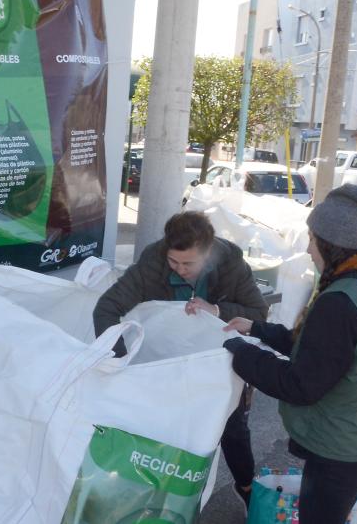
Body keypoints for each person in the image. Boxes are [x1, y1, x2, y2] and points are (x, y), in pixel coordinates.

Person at [222, 184, 357, 523]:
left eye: (312, 239)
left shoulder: (338, 301)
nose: (309, 250)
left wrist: (241, 353)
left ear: (329, 243)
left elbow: (301, 385)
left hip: (347, 443)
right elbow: (318, 350)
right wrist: (255, 329)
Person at [92, 211, 269, 511]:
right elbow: (106, 309)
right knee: (165, 432)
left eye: (189, 263)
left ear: (209, 253)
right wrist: (121, 367)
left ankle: (247, 488)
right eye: (174, 262)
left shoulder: (230, 265)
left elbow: (258, 314)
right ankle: (158, 501)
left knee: (232, 428)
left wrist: (216, 310)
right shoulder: (153, 262)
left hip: (216, 367)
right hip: (166, 366)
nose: (180, 269)